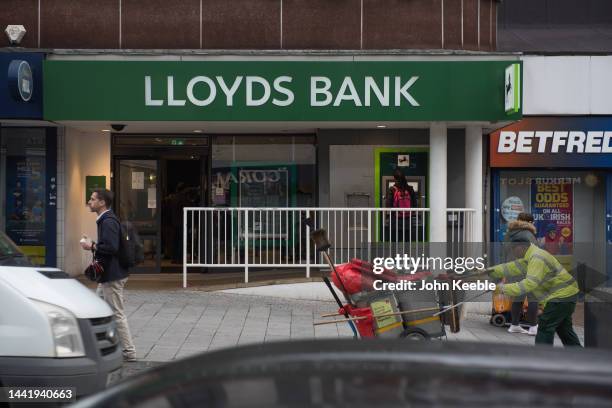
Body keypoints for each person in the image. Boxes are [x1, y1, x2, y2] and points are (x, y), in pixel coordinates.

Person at [489, 233, 581, 346]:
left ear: (521, 247)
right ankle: (580, 357)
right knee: (564, 330)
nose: (512, 252)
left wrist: (502, 289)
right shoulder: (529, 257)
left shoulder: (536, 258)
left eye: (513, 249)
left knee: (545, 326)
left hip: (562, 294)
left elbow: (529, 284)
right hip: (567, 293)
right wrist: (487, 271)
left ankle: (541, 359)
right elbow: (509, 267)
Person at [81, 189, 137, 361]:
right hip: (108, 275)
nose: (89, 202)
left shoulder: (108, 221)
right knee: (98, 310)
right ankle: (102, 344)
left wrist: (91, 246)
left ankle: (128, 351)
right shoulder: (105, 220)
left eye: (92, 199)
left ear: (102, 202)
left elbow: (111, 248)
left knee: (117, 313)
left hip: (113, 276)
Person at [503, 212, 539, 336]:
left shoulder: (509, 233)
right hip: (526, 268)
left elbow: (504, 252)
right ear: (528, 222)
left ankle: (514, 325)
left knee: (518, 297)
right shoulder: (528, 234)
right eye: (531, 222)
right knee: (533, 297)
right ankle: (534, 327)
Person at [385, 169, 417, 242]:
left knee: (394, 243)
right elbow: (415, 204)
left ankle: (395, 254)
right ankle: (406, 254)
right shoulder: (410, 189)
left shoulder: (392, 189)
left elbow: (388, 205)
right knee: (406, 243)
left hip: (395, 220)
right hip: (407, 221)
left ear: (394, 178)